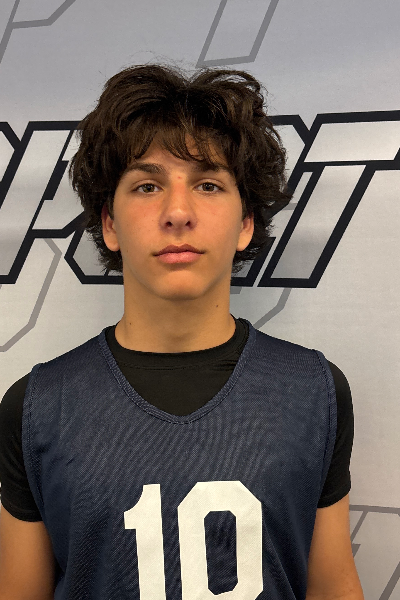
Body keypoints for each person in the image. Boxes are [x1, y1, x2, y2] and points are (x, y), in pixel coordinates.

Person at [0, 64, 363, 599]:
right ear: (109, 223)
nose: (177, 212)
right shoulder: (36, 407)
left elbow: (332, 587)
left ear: (245, 223)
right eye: (147, 185)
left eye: (208, 184)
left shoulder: (314, 391)